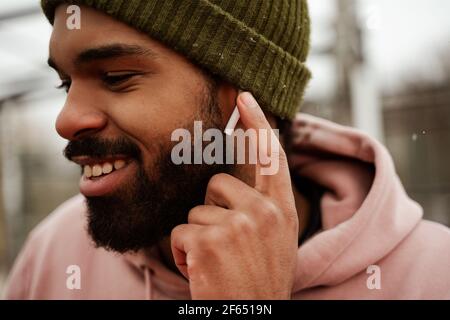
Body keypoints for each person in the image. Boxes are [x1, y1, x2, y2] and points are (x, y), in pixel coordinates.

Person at [4, 0, 450, 299]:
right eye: (65, 82)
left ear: (244, 97)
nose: (65, 120)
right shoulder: (56, 252)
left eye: (116, 77)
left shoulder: (433, 278)